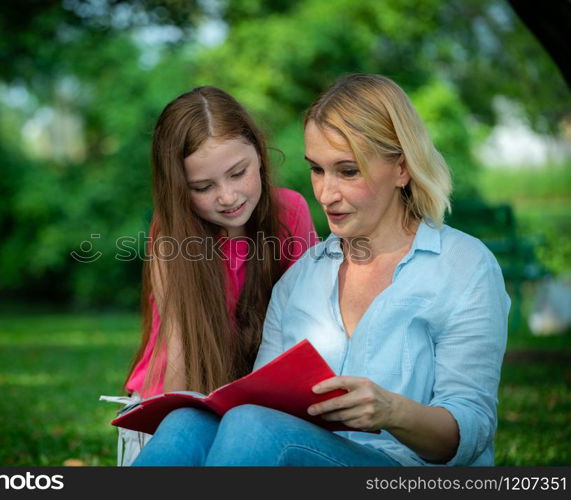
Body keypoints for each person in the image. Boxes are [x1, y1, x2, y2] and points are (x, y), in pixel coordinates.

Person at [133, 74, 510, 466]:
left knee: (252, 427)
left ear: (402, 168)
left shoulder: (464, 265)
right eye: (317, 169)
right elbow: (264, 404)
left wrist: (393, 412)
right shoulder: (300, 279)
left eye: (348, 171)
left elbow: (472, 429)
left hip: (404, 466)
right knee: (185, 425)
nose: (326, 194)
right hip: (309, 457)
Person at [119, 86, 319, 464]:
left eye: (238, 173)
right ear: (179, 188)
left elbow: (304, 328)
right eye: (203, 187)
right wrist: (173, 433)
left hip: (252, 413)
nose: (227, 197)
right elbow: (179, 346)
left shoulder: (289, 212)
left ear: (258, 155)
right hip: (170, 406)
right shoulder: (173, 233)